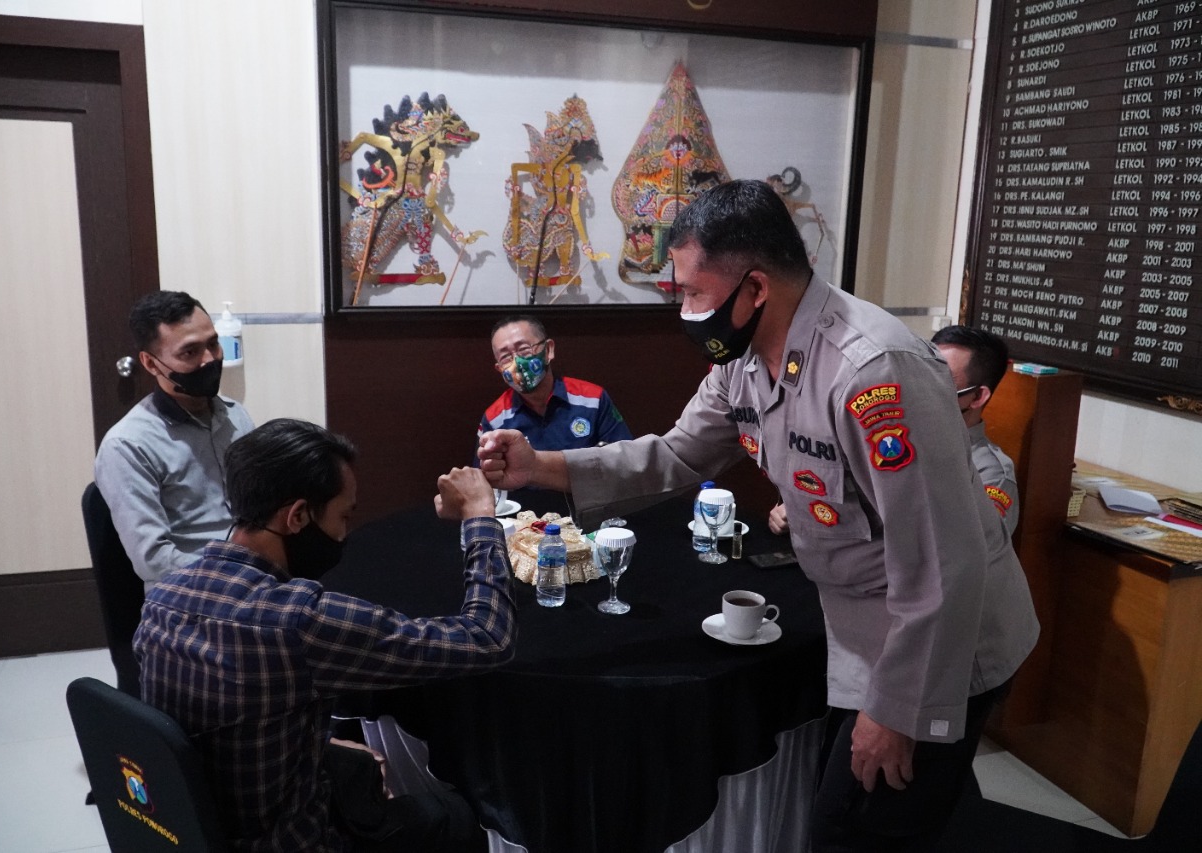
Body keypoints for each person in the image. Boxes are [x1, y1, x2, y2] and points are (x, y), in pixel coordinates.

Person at [478, 180, 1039, 852]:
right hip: (864, 626)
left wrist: (896, 711)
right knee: (843, 813)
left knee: (857, 832)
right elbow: (677, 454)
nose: (684, 309)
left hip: (941, 643)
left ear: (755, 288)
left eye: (693, 291)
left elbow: (944, 561)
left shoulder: (872, 370)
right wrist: (540, 466)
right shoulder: (742, 361)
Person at [134, 418, 516, 852]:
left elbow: (211, 728)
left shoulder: (162, 599)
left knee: (356, 768)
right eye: (342, 517)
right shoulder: (297, 622)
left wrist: (325, 744)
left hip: (207, 827)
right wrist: (480, 517)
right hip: (296, 842)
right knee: (451, 816)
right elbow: (488, 638)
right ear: (298, 516)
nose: (344, 533)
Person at [94, 291, 254, 591]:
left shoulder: (236, 415)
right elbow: (153, 560)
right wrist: (235, 577)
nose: (210, 360)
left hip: (254, 578)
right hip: (187, 595)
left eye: (213, 344)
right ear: (151, 364)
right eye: (189, 352)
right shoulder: (127, 445)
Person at [478, 315, 633, 451]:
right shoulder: (494, 420)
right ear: (499, 369)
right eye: (505, 357)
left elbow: (626, 460)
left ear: (548, 350)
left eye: (524, 349)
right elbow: (484, 473)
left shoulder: (593, 400)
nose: (517, 363)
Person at [932, 325, 1019, 535]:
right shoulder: (905, 437)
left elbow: (972, 547)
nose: (926, 386)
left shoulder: (990, 473)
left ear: (977, 396)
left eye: (942, 379)